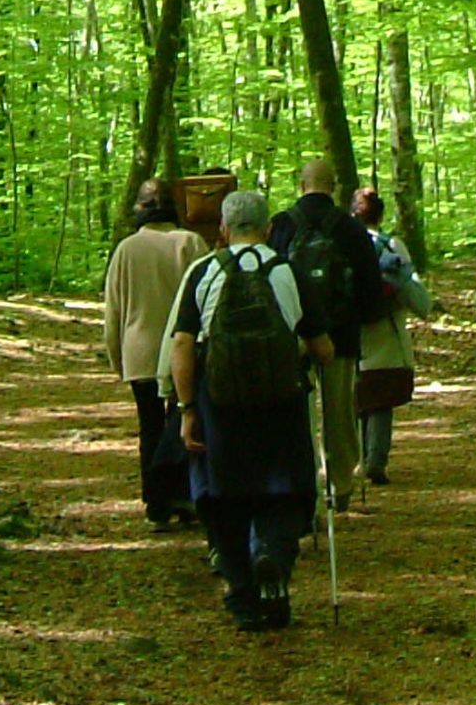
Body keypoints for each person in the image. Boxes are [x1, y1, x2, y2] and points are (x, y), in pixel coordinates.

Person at [172, 189, 337, 632]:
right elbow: (322, 348)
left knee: (223, 496)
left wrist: (187, 408)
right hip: (280, 401)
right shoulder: (287, 270)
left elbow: (183, 344)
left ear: (223, 231)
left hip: (219, 402)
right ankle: (274, 559)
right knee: (284, 489)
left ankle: (242, 595)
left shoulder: (204, 273)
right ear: (267, 229)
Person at [267, 159, 385, 512]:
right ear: (333, 186)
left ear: (300, 185)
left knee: (298, 413)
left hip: (294, 335)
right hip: (342, 335)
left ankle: (303, 485)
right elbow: (370, 287)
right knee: (339, 411)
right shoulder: (351, 229)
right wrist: (361, 322)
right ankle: (341, 483)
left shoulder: (281, 226)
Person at [103, 181, 199, 528]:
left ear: (140, 208)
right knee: (183, 424)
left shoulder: (127, 249)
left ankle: (156, 505)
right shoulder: (190, 243)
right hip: (181, 352)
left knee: (151, 428)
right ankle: (184, 496)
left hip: (139, 351)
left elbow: (112, 312)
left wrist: (117, 358)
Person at [351, 187, 433, 487]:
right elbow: (412, 287)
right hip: (385, 330)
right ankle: (376, 459)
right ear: (380, 215)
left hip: (351, 333)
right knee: (381, 402)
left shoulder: (344, 245)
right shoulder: (391, 244)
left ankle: (358, 459)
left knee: (357, 398)